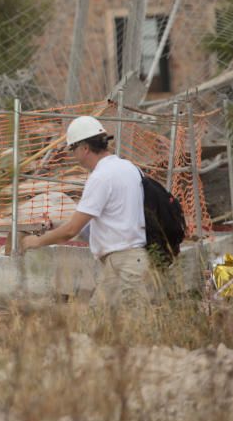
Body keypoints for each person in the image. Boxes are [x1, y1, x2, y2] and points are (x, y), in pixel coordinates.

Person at [20, 116, 155, 306]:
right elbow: (111, 219)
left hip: (124, 264)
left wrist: (37, 241)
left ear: (84, 148)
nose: (73, 155)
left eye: (73, 149)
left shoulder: (100, 177)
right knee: (97, 324)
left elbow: (71, 230)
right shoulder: (129, 168)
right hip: (126, 262)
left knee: (135, 328)